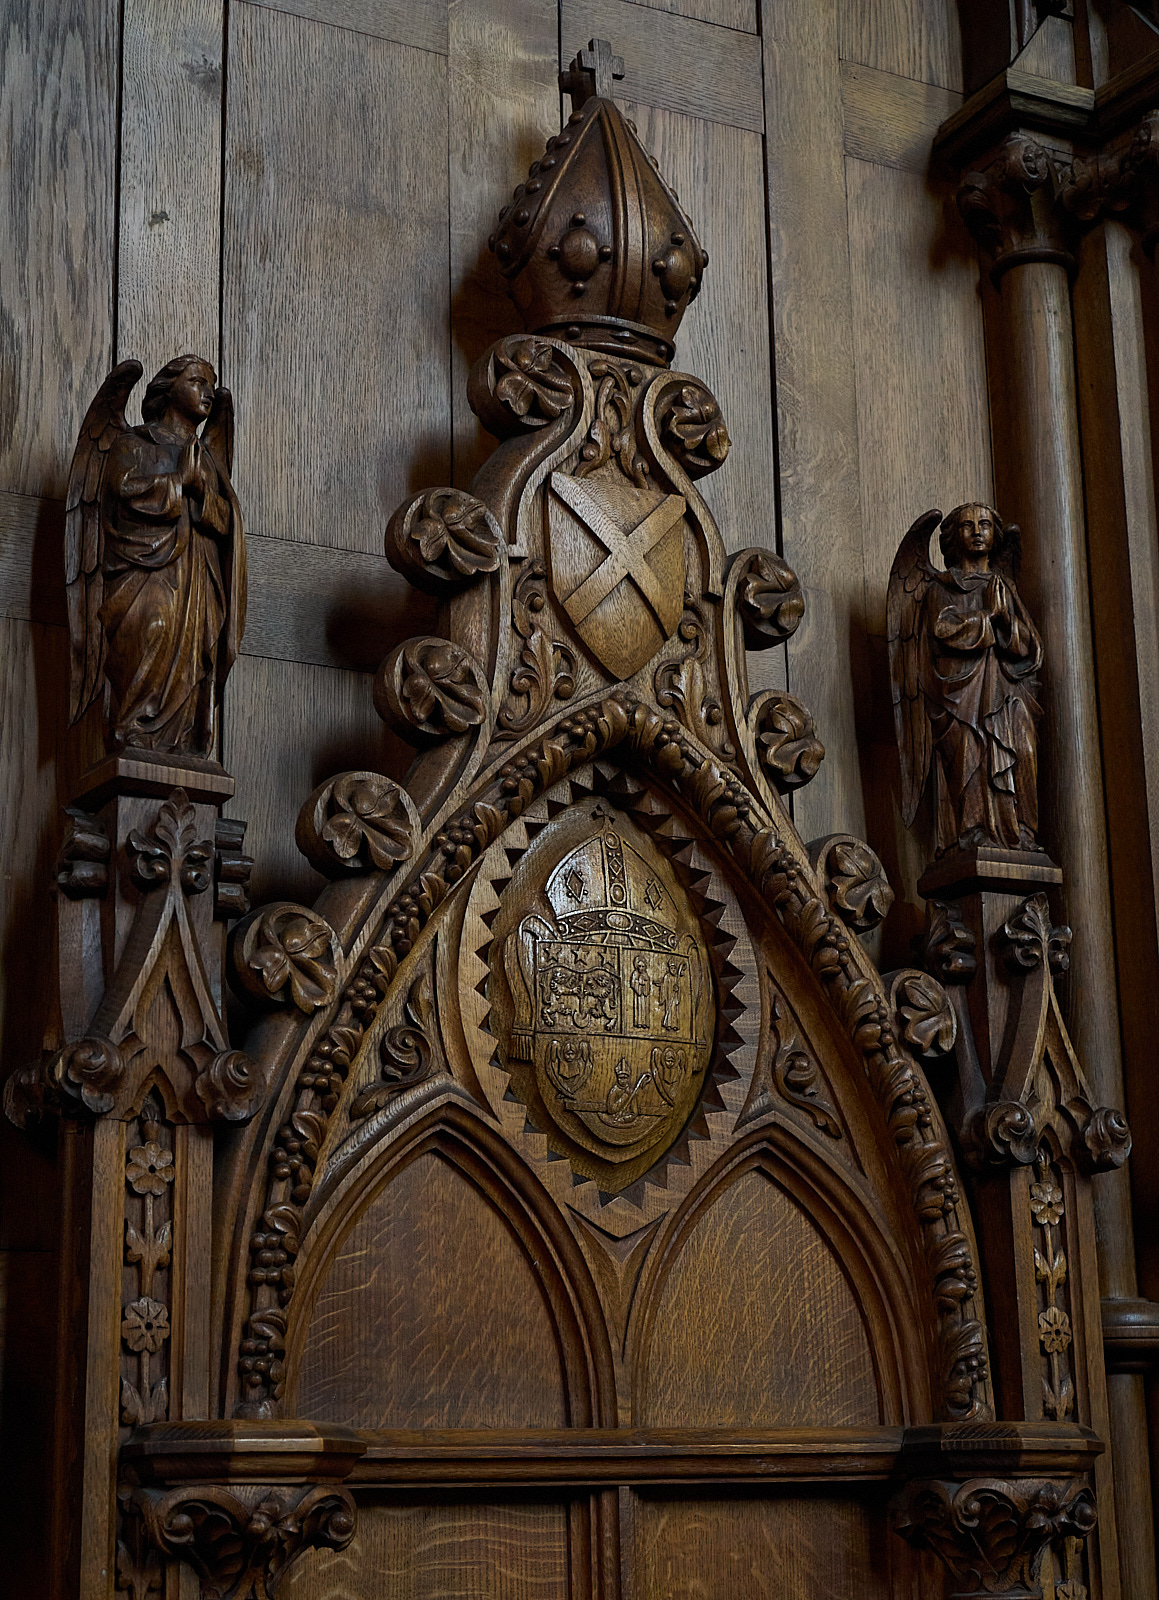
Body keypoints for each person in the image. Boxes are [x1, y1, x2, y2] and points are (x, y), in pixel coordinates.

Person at [67, 354, 245, 756]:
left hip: (199, 577)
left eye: (211, 385)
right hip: (145, 574)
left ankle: (181, 741)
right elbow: (121, 494)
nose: (208, 393)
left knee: (197, 656)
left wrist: (202, 493)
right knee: (154, 629)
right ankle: (135, 731)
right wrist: (179, 482)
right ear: (168, 388)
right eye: (197, 381)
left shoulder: (210, 462)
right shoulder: (133, 444)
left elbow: (226, 522)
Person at [888, 503, 1043, 854]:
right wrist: (989, 618)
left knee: (1023, 745)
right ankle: (973, 829)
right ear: (952, 537)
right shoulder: (941, 587)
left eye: (985, 524)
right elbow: (943, 630)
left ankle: (1020, 830)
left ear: (995, 535)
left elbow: (1030, 647)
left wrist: (1006, 622)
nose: (977, 532)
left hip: (1005, 693)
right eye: (968, 526)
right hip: (958, 697)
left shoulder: (1003, 585)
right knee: (970, 754)